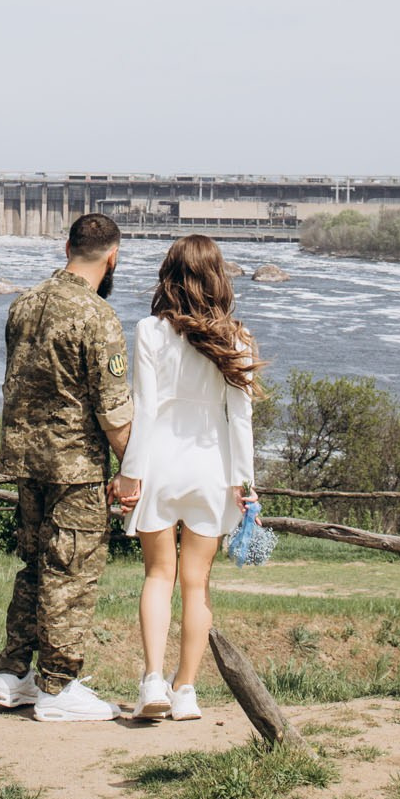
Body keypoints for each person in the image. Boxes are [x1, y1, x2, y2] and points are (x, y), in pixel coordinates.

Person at [0, 213, 135, 722]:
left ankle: (13, 676)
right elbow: (114, 413)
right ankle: (58, 688)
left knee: (33, 568)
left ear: (66, 246)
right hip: (75, 468)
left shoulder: (22, 305)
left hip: (26, 464)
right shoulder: (97, 317)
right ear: (113, 256)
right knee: (71, 573)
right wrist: (131, 468)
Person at [113, 234, 263, 722]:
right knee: (196, 585)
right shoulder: (235, 338)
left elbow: (147, 410)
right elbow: (240, 419)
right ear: (217, 276)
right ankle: (187, 690)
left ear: (169, 275)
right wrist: (245, 483)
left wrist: (129, 474)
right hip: (211, 469)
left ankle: (152, 680)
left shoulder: (150, 331)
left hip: (159, 465)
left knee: (159, 575)